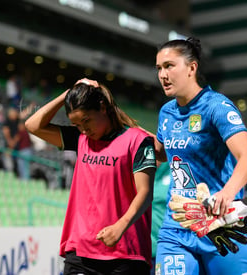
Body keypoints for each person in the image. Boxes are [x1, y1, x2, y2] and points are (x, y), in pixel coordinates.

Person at [25, 79, 156, 274]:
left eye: (86, 120)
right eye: (77, 124)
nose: (84, 129)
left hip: (127, 252)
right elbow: (32, 125)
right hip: (81, 253)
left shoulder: (137, 140)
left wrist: (120, 226)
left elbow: (145, 192)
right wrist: (69, 93)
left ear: (102, 107)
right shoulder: (81, 139)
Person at [153, 37, 247, 275]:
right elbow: (158, 153)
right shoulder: (166, 112)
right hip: (177, 227)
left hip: (221, 227)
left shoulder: (217, 107)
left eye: (169, 66)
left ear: (192, 67)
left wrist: (226, 193)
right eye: (159, 68)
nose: (162, 74)